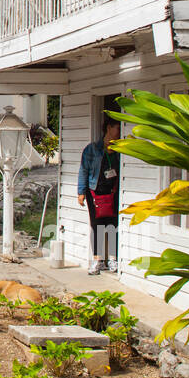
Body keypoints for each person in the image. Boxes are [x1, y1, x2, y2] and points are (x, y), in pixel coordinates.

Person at [77, 116, 121, 274]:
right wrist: (81, 192)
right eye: (117, 128)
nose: (119, 132)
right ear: (108, 128)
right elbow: (84, 170)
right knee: (97, 226)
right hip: (95, 192)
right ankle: (98, 260)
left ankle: (113, 259)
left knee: (113, 225)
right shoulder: (92, 149)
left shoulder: (119, 149)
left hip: (113, 192)